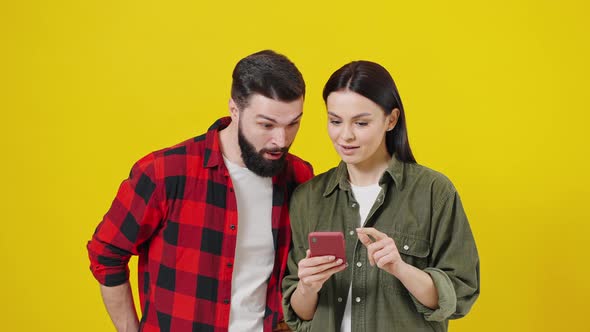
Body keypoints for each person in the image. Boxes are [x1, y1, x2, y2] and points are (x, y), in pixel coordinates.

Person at [87, 50, 314, 332]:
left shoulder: (299, 177)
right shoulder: (164, 173)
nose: (281, 140)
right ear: (235, 110)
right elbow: (106, 255)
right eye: (266, 125)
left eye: (293, 124)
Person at [282, 61, 480, 331]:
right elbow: (300, 315)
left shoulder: (434, 192)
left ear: (391, 119)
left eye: (361, 122)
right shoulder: (308, 197)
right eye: (335, 121)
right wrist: (307, 286)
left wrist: (401, 268)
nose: (345, 135)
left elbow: (460, 294)